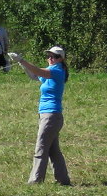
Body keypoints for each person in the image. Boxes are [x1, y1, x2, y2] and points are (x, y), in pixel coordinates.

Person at [9, 46, 72, 186]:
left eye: (54, 56)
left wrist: (22, 60)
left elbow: (37, 71)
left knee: (41, 148)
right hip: (47, 115)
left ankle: (35, 181)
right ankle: (63, 180)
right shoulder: (51, 70)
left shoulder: (57, 70)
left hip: (51, 115)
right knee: (54, 151)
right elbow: (34, 75)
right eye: (49, 55)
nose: (50, 58)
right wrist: (21, 63)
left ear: (60, 59)